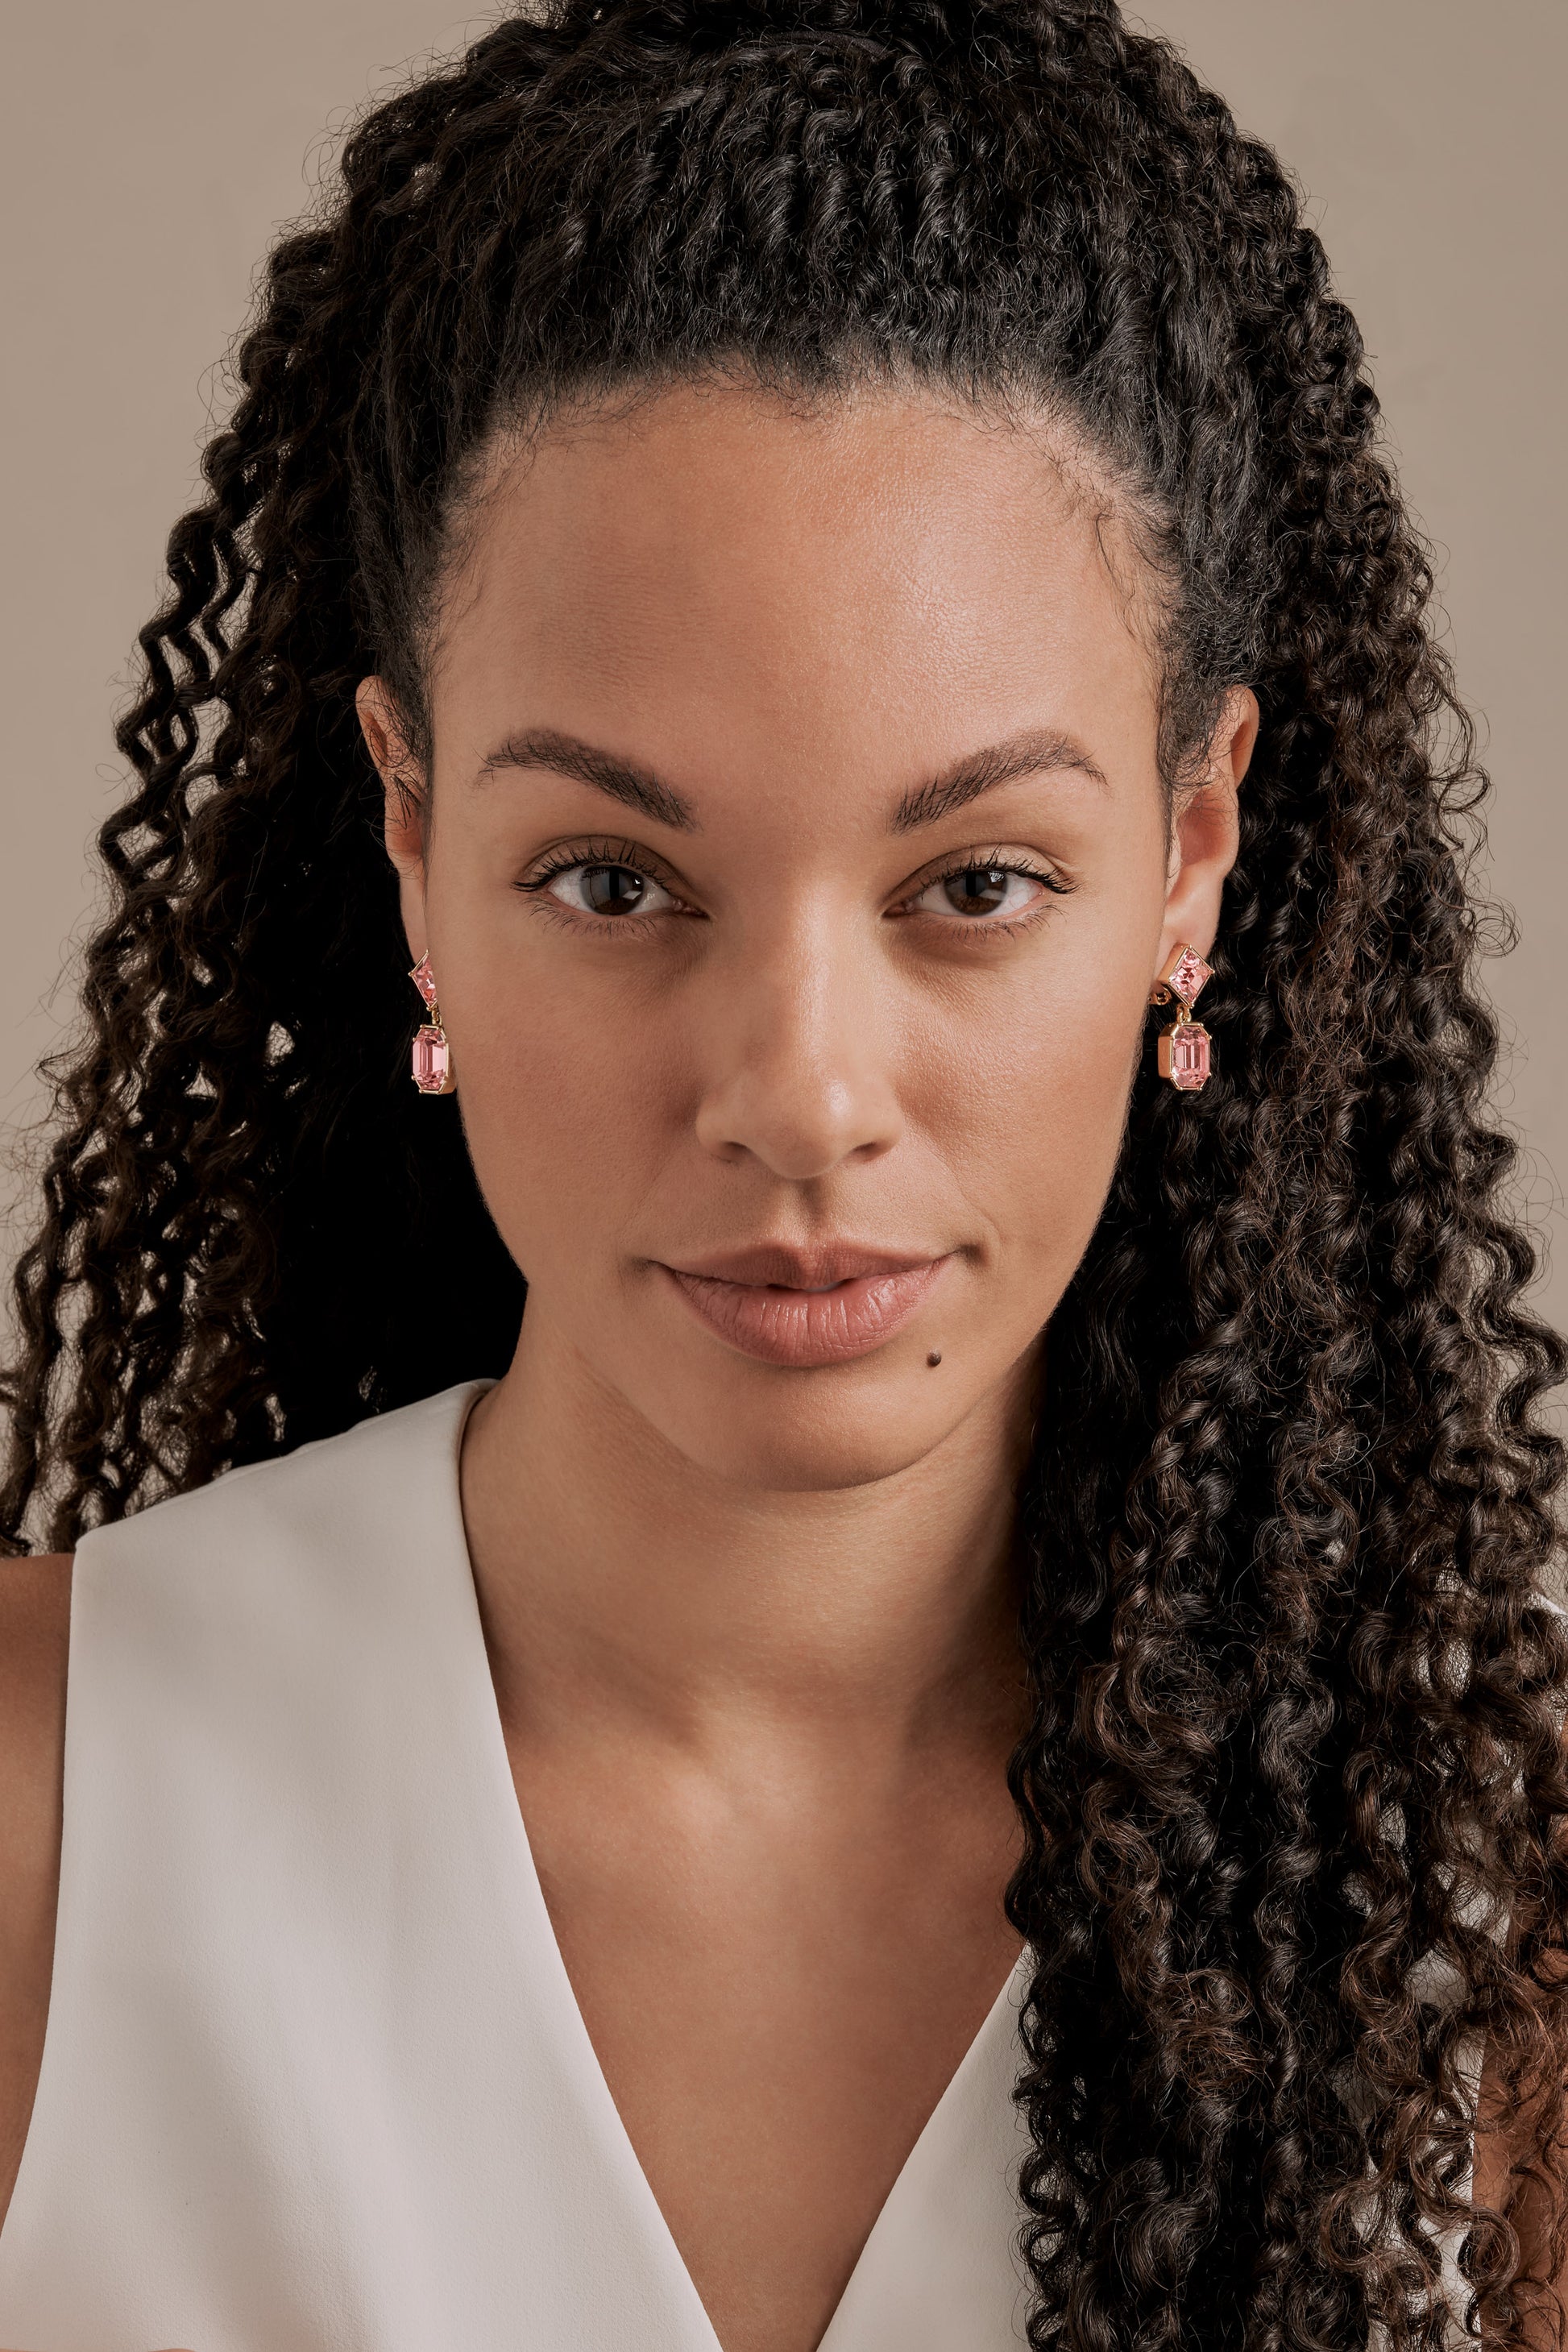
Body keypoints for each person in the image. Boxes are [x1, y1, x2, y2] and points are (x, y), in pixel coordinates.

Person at [0, 2, 1563, 2346]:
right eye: (616, 880)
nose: (798, 1098)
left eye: (975, 883)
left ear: (1191, 856)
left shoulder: (1468, 1930)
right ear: (414, 842)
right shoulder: (37, 1822)